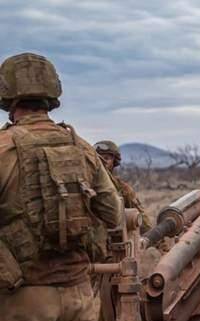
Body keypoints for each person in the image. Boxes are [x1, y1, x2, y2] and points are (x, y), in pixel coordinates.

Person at [0, 52, 122, 321]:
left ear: (7, 94)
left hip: (23, 299)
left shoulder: (3, 147)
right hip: (79, 296)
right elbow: (114, 213)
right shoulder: (81, 148)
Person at [94, 140, 151, 233]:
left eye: (106, 158)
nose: (102, 163)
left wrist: (153, 238)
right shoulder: (86, 186)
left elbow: (142, 219)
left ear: (114, 161)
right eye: (98, 159)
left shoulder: (122, 188)